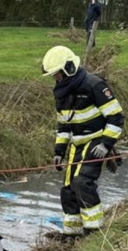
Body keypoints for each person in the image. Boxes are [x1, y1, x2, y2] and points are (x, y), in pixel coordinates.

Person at [41, 45, 123, 235]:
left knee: (82, 182)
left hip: (96, 142)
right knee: (68, 188)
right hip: (76, 143)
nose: (56, 78)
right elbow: (63, 126)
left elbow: (116, 116)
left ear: (68, 68)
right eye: (54, 75)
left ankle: (94, 231)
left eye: (58, 74)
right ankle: (72, 233)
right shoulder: (61, 92)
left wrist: (106, 144)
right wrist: (59, 152)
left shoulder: (94, 85)